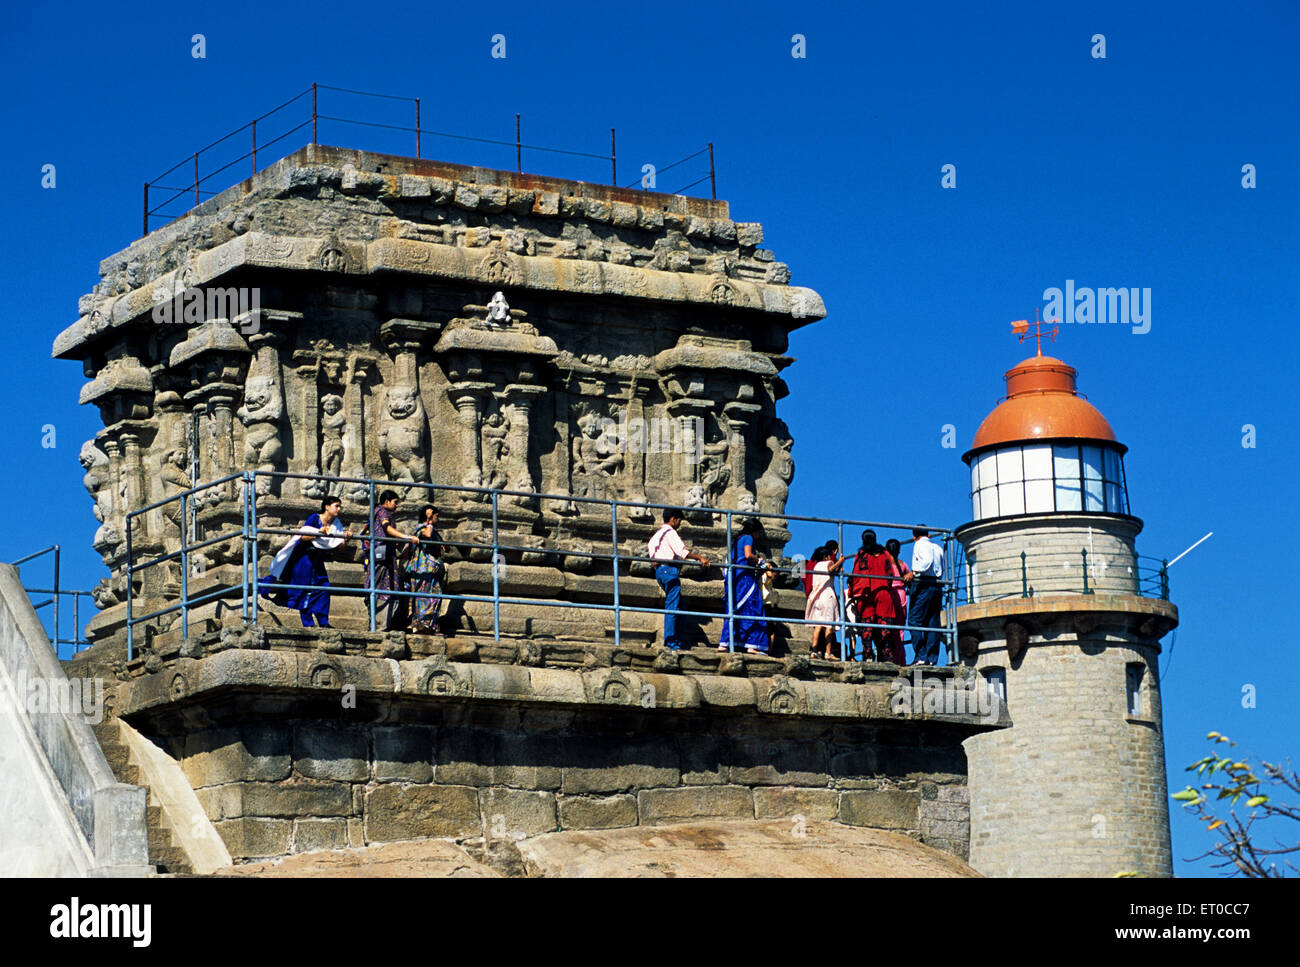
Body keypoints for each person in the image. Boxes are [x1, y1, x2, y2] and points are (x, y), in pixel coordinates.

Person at [259, 496, 354, 627]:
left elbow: (338, 546)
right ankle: (308, 623)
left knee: (324, 588)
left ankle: (323, 621)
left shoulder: (336, 524)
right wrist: (318, 533)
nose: (339, 509)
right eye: (336, 505)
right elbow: (303, 536)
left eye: (339, 506)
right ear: (327, 507)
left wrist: (345, 538)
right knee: (304, 590)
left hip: (317, 560)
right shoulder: (315, 518)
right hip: (303, 558)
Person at [648, 508, 709, 650]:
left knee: (681, 606)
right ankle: (671, 642)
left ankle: (678, 639)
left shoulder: (656, 536)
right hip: (669, 570)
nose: (679, 524)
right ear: (673, 519)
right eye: (679, 521)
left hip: (660, 571)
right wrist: (700, 558)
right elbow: (682, 552)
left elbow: (653, 558)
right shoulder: (670, 532)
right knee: (673, 607)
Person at [367, 490, 418, 631]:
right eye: (395, 502)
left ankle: (381, 625)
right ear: (387, 501)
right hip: (382, 558)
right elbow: (387, 528)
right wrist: (406, 537)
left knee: (383, 589)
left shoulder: (380, 512)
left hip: (386, 556)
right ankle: (379, 626)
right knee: (380, 589)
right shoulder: (382, 511)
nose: (396, 506)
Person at [719, 518, 771, 655]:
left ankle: (726, 643)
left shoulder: (736, 540)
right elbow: (748, 555)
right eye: (759, 533)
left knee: (734, 610)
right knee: (753, 608)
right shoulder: (748, 538)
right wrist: (761, 562)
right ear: (755, 531)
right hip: (745, 578)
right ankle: (752, 645)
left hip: (735, 577)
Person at [907, 526, 946, 665]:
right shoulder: (937, 547)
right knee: (932, 621)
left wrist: (914, 571)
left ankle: (921, 656)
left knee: (914, 620)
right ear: (928, 534)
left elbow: (927, 561)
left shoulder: (919, 544)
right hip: (936, 584)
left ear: (914, 536)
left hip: (924, 583)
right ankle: (931, 657)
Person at [406, 504, 446, 635]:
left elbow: (446, 548)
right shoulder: (422, 528)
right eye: (435, 516)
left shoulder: (435, 532)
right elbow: (427, 535)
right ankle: (420, 625)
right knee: (422, 597)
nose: (437, 519)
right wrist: (428, 522)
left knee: (435, 596)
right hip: (422, 570)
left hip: (433, 571)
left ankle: (432, 625)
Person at [805, 545, 845, 660]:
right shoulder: (828, 563)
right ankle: (828, 652)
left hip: (817, 597)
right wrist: (840, 561)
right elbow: (831, 569)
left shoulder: (816, 566)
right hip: (827, 597)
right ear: (825, 556)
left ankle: (814, 650)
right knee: (828, 626)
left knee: (817, 626)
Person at [882, 538, 912, 665]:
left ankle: (889, 658)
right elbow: (909, 582)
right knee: (900, 630)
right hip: (901, 596)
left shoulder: (885, 564)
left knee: (887, 628)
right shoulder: (903, 565)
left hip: (889, 595)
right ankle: (901, 659)